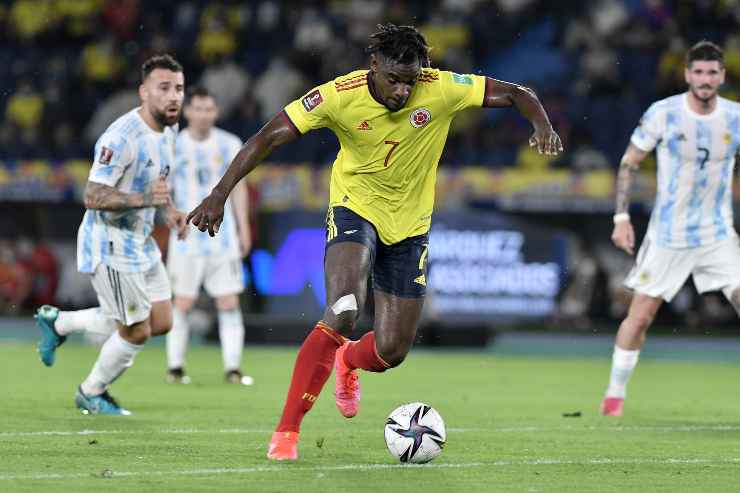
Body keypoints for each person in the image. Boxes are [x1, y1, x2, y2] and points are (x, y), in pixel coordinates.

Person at [187, 23, 562, 460]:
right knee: (344, 307)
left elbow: (518, 93)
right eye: (394, 80)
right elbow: (269, 136)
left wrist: (542, 126)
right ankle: (286, 432)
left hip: (410, 226)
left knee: (392, 350)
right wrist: (219, 193)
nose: (403, 91)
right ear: (374, 66)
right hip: (355, 207)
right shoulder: (338, 95)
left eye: (411, 80)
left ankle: (348, 362)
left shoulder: (441, 87)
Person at [34, 54, 188, 415]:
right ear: (143, 92)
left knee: (161, 322)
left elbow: (158, 183)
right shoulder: (120, 138)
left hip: (142, 240)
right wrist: (144, 200)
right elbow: (92, 195)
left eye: (179, 88)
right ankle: (91, 392)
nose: (173, 97)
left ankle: (61, 323)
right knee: (136, 331)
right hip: (110, 243)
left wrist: (169, 211)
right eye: (163, 88)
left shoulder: (170, 129)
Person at [601, 40, 740, 417]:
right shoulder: (664, 113)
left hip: (717, 233)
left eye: (712, 72)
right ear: (687, 74)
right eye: (699, 72)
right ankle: (614, 397)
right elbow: (630, 163)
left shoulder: (735, 117)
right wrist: (621, 217)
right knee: (641, 316)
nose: (705, 79)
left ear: (722, 76)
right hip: (668, 235)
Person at [165, 86, 253, 385]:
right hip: (186, 238)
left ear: (216, 112)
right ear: (188, 111)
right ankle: (175, 367)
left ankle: (233, 368)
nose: (203, 115)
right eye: (198, 109)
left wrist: (244, 227)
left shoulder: (230, 144)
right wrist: (171, 216)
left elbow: (238, 188)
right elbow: (163, 188)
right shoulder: (173, 144)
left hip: (223, 237)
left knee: (228, 302)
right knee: (183, 303)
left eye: (208, 109)